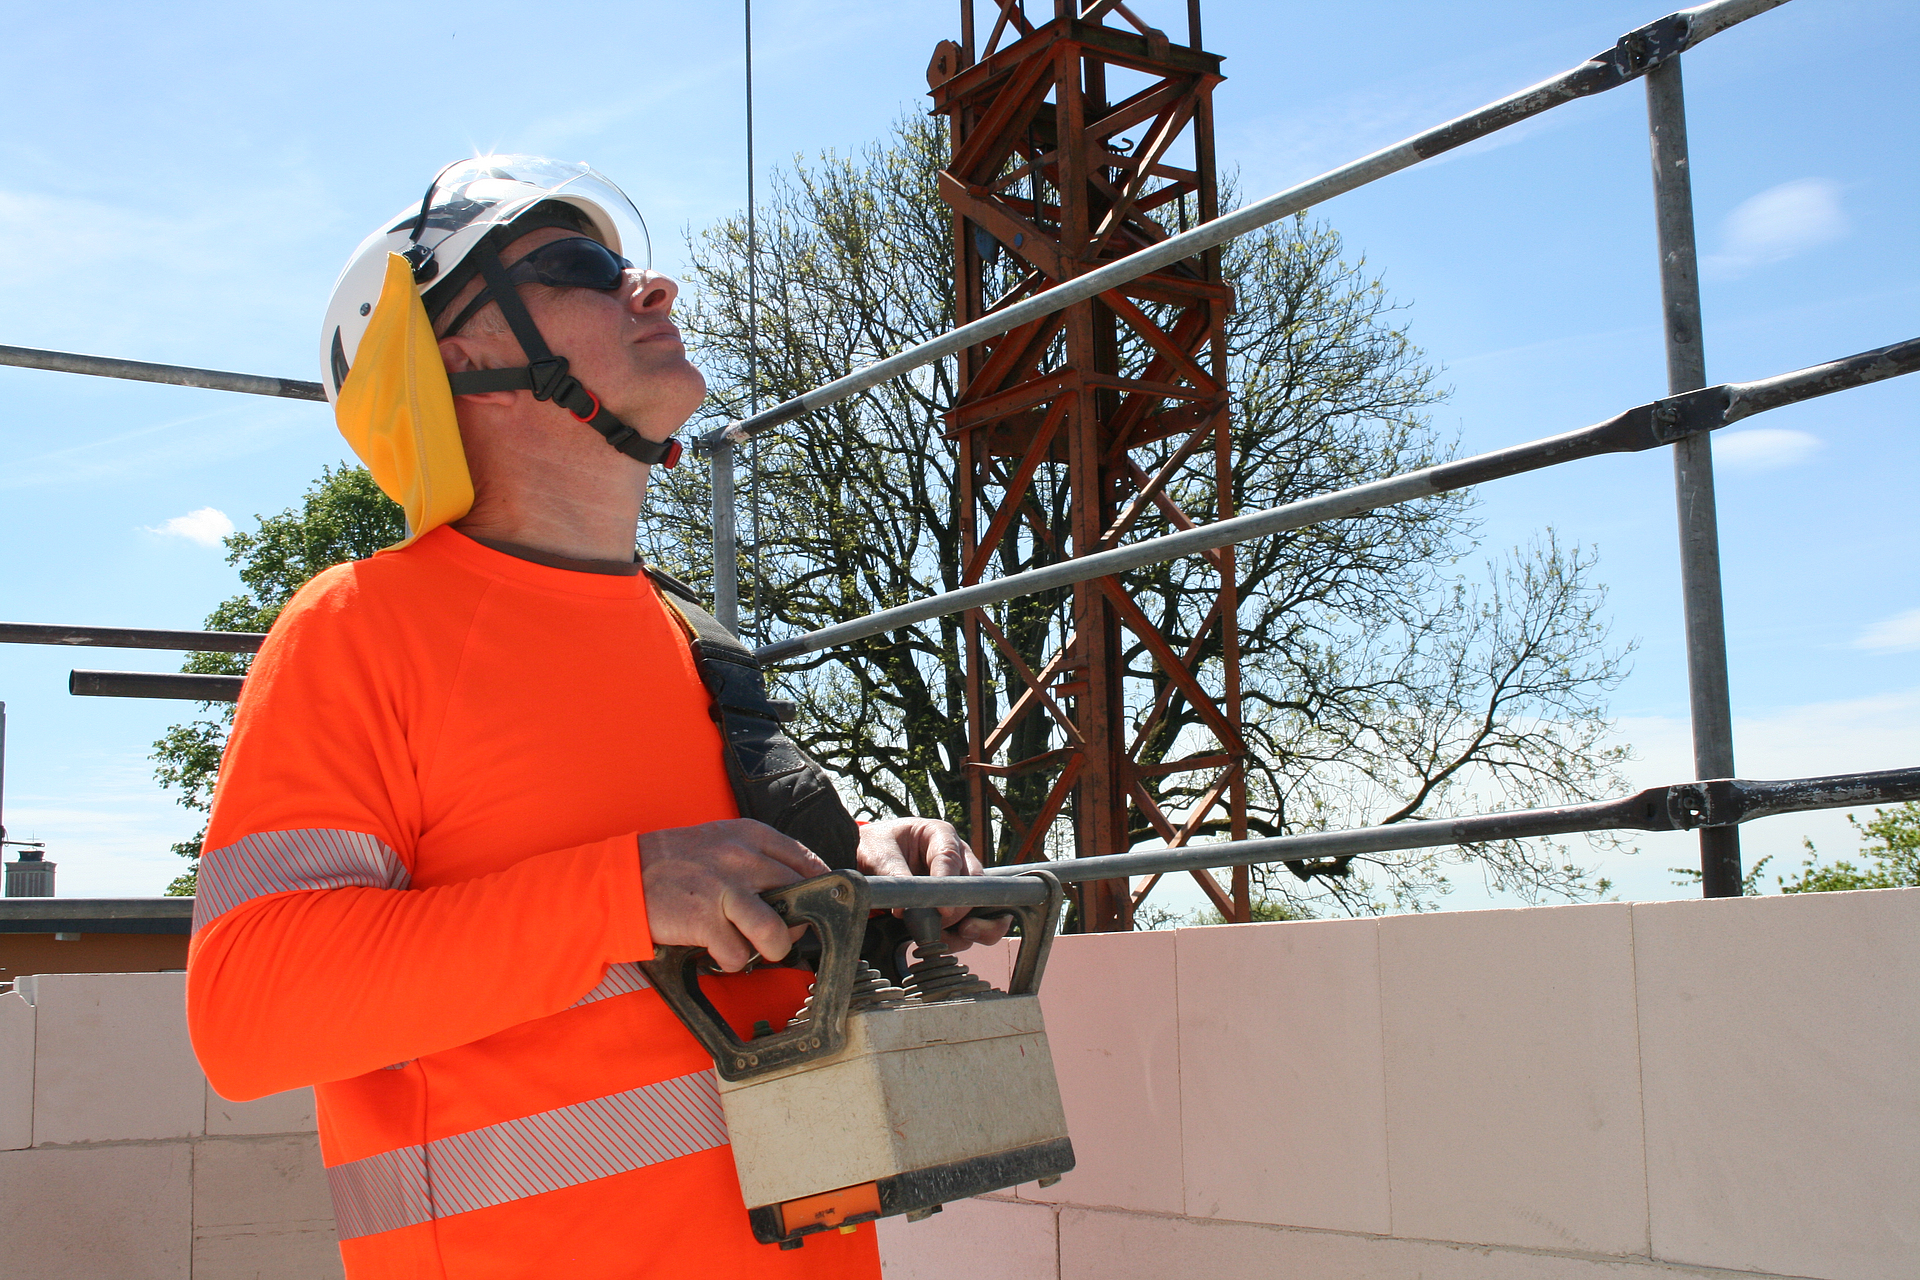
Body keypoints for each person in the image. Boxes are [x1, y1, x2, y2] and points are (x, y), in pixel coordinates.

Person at [186, 156, 1003, 1280]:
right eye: (581, 266)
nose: (655, 287)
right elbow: (249, 1011)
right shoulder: (360, 627)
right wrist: (618, 892)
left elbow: (716, 893)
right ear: (459, 355)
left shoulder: (695, 638)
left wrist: (859, 861)